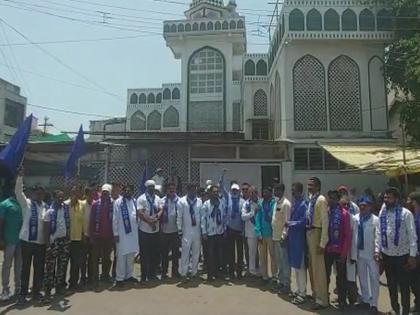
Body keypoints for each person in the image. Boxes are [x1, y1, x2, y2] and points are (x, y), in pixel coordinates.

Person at [377, 187, 418, 315]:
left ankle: (405, 311)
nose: (386, 200)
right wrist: (378, 250)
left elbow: (412, 235)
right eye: (385, 197)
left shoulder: (406, 214)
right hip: (387, 255)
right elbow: (378, 232)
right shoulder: (382, 213)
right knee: (392, 286)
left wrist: (412, 256)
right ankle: (395, 309)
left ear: (396, 199)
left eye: (389, 198)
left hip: (402, 256)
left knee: (404, 286)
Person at [15, 169, 47, 304]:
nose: (39, 195)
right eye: (37, 193)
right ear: (32, 193)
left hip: (40, 243)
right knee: (26, 268)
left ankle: (36, 292)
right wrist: (20, 177)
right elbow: (18, 192)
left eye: (41, 193)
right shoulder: (26, 204)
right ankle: (23, 294)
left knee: (39, 268)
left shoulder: (45, 206)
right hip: (27, 241)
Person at [324, 190, 352, 310]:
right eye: (329, 198)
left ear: (338, 199)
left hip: (340, 250)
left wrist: (344, 252)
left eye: (334, 198)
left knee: (341, 277)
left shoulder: (344, 214)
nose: (331, 201)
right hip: (328, 249)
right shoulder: (326, 212)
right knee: (325, 275)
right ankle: (324, 297)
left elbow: (347, 235)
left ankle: (342, 300)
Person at [306, 177, 329, 310]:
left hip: (318, 232)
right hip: (310, 232)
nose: (309, 187)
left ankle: (322, 300)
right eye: (308, 184)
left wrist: (322, 243)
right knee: (312, 267)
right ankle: (315, 294)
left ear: (318, 187)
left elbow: (325, 222)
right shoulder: (311, 199)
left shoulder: (321, 200)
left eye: (312, 185)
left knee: (319, 269)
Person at [43, 190, 70, 302]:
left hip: (64, 242)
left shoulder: (65, 209)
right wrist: (47, 245)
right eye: (58, 197)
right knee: (50, 267)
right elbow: (46, 230)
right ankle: (48, 291)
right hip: (53, 242)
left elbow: (67, 225)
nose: (60, 199)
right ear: (54, 198)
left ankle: (59, 288)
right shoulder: (49, 212)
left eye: (62, 197)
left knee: (62, 266)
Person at [355, 195, 380, 315]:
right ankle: (365, 299)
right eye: (360, 206)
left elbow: (378, 237)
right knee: (362, 277)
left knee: (374, 278)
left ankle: (374, 304)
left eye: (365, 206)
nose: (362, 208)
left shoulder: (375, 220)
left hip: (371, 254)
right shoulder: (355, 218)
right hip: (359, 254)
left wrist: (377, 251)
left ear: (370, 206)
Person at [0, 179, 23, 302]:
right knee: (7, 265)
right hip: (9, 240)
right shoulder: (4, 204)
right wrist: (1, 239)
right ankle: (5, 289)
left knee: (19, 266)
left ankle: (18, 288)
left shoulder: (19, 203)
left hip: (20, 241)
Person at [112, 185, 139, 286]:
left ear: (132, 192)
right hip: (122, 234)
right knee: (121, 256)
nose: (128, 192)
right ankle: (119, 278)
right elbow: (115, 219)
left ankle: (128, 276)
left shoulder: (134, 201)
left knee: (130, 255)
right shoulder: (118, 202)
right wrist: (115, 233)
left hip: (133, 234)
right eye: (126, 190)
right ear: (123, 191)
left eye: (130, 190)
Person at [89, 184, 114, 287]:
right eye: (103, 192)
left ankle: (105, 276)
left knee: (106, 258)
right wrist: (91, 235)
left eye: (107, 193)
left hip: (108, 236)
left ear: (109, 194)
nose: (104, 194)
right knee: (95, 258)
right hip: (97, 235)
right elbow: (91, 221)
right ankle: (95, 278)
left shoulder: (113, 205)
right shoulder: (96, 204)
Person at [137, 180, 162, 282]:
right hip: (144, 230)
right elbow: (140, 213)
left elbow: (161, 210)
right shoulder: (141, 198)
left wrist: (156, 218)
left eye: (153, 187)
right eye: (150, 187)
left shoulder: (157, 198)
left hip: (155, 231)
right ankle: (143, 276)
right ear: (146, 188)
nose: (152, 188)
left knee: (154, 254)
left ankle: (152, 274)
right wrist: (149, 221)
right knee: (144, 254)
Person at [287, 182, 308, 305]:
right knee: (295, 266)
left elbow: (304, 221)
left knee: (300, 267)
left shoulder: (304, 205)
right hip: (293, 239)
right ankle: (299, 289)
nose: (293, 193)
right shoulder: (296, 203)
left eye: (294, 191)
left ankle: (302, 293)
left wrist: (290, 224)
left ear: (300, 191)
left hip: (300, 239)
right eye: (292, 190)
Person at [177, 183, 202, 280]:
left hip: (197, 230)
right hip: (186, 230)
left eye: (195, 189)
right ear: (187, 190)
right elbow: (179, 216)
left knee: (196, 252)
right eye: (191, 189)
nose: (193, 191)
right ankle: (183, 273)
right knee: (185, 252)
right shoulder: (181, 201)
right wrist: (179, 229)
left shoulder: (199, 201)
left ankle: (194, 272)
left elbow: (202, 216)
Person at [201, 185, 227, 281]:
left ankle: (218, 273)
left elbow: (224, 217)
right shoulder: (206, 204)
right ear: (210, 193)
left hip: (219, 232)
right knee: (210, 255)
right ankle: (210, 274)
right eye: (214, 192)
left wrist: (224, 229)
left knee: (219, 254)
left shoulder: (221, 203)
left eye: (217, 192)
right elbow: (203, 219)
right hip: (210, 233)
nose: (215, 193)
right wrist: (204, 232)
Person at [272, 183, 291, 294]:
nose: (275, 193)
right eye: (275, 191)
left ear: (282, 191)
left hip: (282, 238)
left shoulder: (286, 204)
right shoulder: (276, 202)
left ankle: (286, 284)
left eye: (277, 191)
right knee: (279, 261)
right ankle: (281, 282)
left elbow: (287, 222)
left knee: (285, 262)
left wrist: (284, 236)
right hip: (275, 237)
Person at [255, 187, 277, 283]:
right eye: (263, 192)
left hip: (272, 234)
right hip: (262, 234)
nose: (264, 194)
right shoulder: (260, 204)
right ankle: (265, 276)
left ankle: (275, 277)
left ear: (270, 193)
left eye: (266, 192)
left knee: (273, 256)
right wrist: (258, 233)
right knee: (262, 256)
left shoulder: (275, 203)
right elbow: (257, 219)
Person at [159, 183, 181, 279]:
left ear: (176, 189)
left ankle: (175, 272)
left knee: (176, 254)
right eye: (169, 189)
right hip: (164, 231)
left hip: (175, 231)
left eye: (173, 189)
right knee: (164, 254)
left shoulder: (179, 201)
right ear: (166, 190)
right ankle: (164, 272)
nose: (171, 190)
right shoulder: (162, 201)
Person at [67, 185, 86, 290]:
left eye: (78, 192)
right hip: (66, 239)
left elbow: (83, 222)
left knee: (76, 263)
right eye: (74, 192)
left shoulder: (82, 205)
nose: (76, 193)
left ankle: (73, 283)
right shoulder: (65, 204)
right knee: (64, 263)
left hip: (78, 238)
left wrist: (83, 234)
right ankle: (61, 284)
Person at [225, 183, 245, 279]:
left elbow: (243, 218)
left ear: (238, 191)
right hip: (230, 229)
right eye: (233, 190)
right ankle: (231, 272)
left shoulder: (243, 202)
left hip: (239, 230)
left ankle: (239, 272)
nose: (234, 191)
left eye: (236, 190)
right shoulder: (228, 200)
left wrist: (243, 230)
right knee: (230, 252)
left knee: (240, 253)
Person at [241, 186, 259, 278]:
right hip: (251, 232)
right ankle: (252, 271)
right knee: (252, 252)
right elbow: (243, 217)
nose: (252, 194)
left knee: (262, 254)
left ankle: (262, 272)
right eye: (251, 193)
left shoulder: (261, 203)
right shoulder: (246, 204)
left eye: (254, 192)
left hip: (262, 232)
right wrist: (252, 213)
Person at [407, 191, 420, 314]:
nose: (407, 203)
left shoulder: (417, 218)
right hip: (415, 254)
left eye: (409, 200)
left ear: (414, 202)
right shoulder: (413, 215)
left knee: (415, 281)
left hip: (417, 255)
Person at [81, 186, 95, 286]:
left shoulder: (95, 205)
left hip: (93, 237)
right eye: (89, 195)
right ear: (86, 195)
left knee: (93, 259)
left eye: (93, 195)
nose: (91, 197)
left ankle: (91, 278)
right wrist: (83, 235)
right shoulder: (82, 205)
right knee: (82, 259)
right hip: (84, 235)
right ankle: (82, 278)